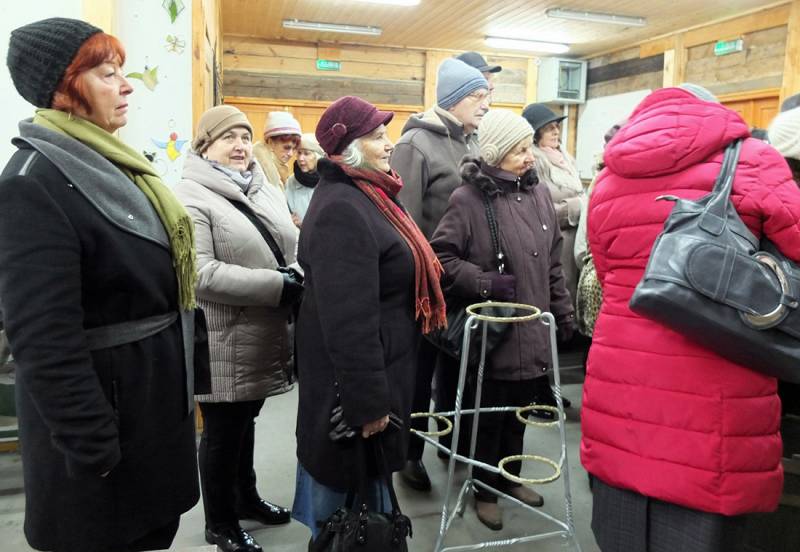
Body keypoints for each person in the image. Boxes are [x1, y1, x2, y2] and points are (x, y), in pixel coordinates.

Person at [0, 17, 200, 552]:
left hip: (147, 408)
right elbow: (42, 341)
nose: (126, 86)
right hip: (104, 433)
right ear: (64, 90)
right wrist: (93, 448)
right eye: (108, 74)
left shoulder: (113, 165)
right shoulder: (32, 183)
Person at [582, 84, 800, 552]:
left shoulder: (608, 178)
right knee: (703, 518)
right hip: (718, 375)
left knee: (621, 520)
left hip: (621, 375)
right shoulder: (753, 160)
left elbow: (606, 270)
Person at [292, 95, 446, 542]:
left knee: (361, 498)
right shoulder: (344, 207)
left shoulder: (370, 194)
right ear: (349, 148)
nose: (389, 144)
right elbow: (349, 322)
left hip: (376, 371)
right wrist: (368, 404)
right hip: (352, 391)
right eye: (377, 137)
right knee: (347, 513)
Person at [431, 109, 574, 531]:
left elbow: (553, 263)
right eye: (518, 150)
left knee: (519, 410)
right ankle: (484, 488)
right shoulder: (468, 199)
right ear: (494, 153)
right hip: (494, 331)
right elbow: (440, 259)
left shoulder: (539, 193)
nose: (528, 156)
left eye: (528, 147)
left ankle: (510, 478)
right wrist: (485, 282)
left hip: (533, 325)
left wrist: (562, 311)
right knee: (487, 416)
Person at [174, 105, 299, 552]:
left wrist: (297, 271)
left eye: (245, 137)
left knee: (247, 421)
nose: (240, 146)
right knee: (224, 433)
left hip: (263, 331)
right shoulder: (190, 195)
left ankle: (246, 498)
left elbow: (289, 242)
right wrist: (278, 285)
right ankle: (220, 522)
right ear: (204, 145)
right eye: (228, 137)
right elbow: (199, 273)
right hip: (222, 337)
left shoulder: (263, 185)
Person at [391, 58, 489, 491]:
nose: (485, 104)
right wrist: (418, 281)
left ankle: (451, 443)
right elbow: (402, 219)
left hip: (462, 281)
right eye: (477, 96)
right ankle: (408, 453)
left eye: (487, 95)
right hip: (426, 284)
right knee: (417, 373)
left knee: (456, 369)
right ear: (453, 99)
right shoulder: (415, 144)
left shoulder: (474, 140)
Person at [523, 103, 585, 306]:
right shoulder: (533, 163)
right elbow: (537, 210)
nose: (556, 131)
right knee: (560, 294)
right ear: (536, 134)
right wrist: (578, 206)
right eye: (549, 128)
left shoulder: (566, 160)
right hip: (555, 243)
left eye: (557, 127)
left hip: (577, 239)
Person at [252, 111, 302, 190]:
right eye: (286, 148)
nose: (291, 154)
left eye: (293, 148)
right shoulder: (256, 170)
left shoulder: (280, 168)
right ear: (270, 142)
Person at [285, 133, 324, 227]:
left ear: (317, 156)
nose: (301, 158)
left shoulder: (330, 181)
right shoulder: (290, 182)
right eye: (299, 153)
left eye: (306, 153)